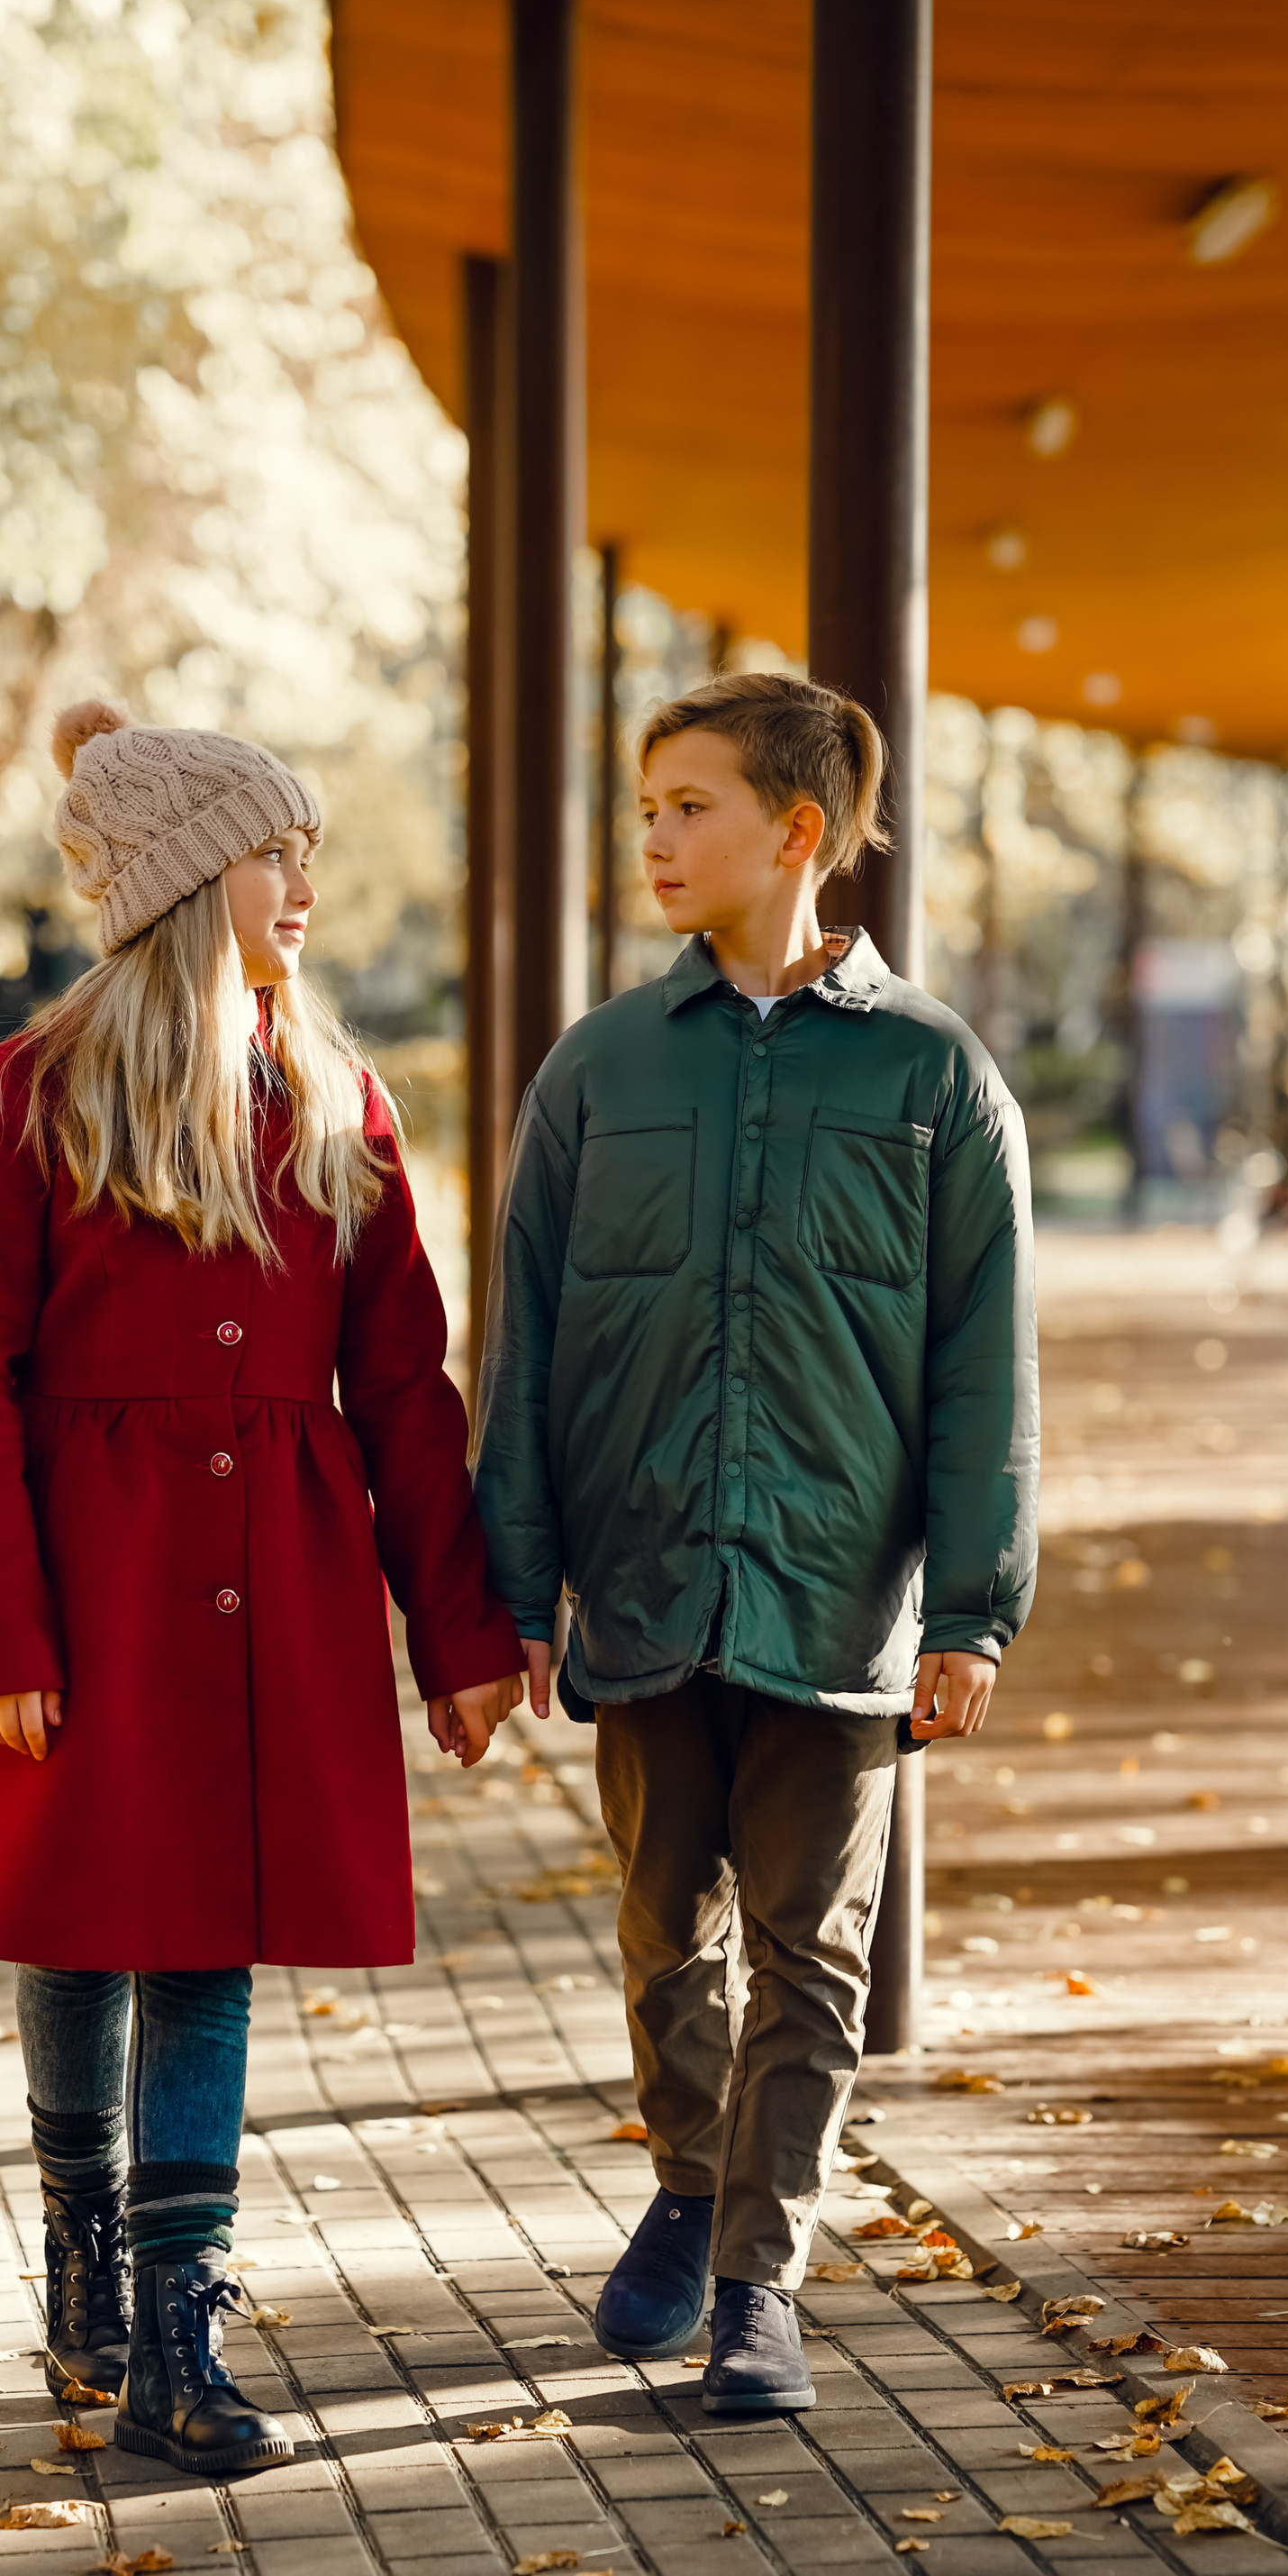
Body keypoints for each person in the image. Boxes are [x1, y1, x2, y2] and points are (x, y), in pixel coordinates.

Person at [0, 701, 523, 2476]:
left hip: (268, 1594)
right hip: (81, 1575)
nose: (304, 884)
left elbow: (406, 1392)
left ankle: (173, 2328)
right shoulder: (26, 1095)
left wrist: (460, 1635)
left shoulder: (338, 1106)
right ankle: (82, 2248)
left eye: (305, 851)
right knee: (77, 1920)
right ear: (195, 876)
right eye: (276, 851)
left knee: (202, 1947)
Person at [473, 669, 1037, 2417]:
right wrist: (509, 1589)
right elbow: (526, 1339)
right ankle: (683, 2171)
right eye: (643, 805)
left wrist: (973, 1608)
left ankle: (756, 2282)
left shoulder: (937, 1079)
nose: (652, 836)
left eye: (686, 805)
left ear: (796, 832)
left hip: (837, 1596)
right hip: (641, 1581)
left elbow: (979, 1361)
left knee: (813, 1944)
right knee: (665, 1927)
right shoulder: (596, 1070)